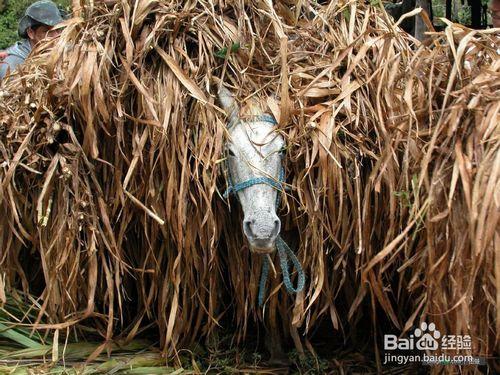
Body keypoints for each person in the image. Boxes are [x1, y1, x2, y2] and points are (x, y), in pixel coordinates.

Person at [0, 1, 63, 80]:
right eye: (47, 31)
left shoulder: (64, 53)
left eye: (58, 29)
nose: (56, 36)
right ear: (31, 33)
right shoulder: (13, 67)